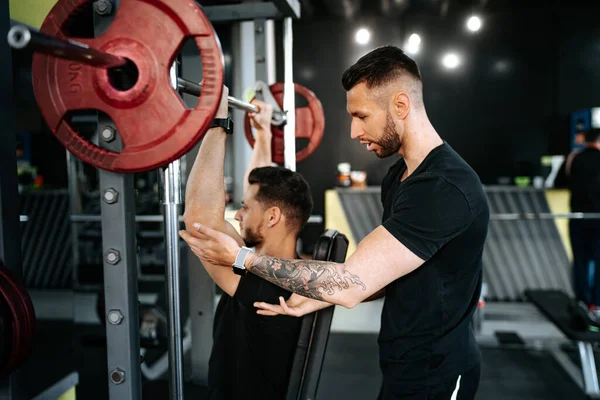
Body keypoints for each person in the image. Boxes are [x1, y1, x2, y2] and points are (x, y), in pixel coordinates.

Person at [182, 45, 490, 400]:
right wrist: (324, 293)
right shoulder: (400, 178)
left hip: (438, 371)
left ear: (401, 105)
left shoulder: (442, 188)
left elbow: (353, 282)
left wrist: (243, 259)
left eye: (361, 116)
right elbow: (387, 276)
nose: (354, 132)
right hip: (404, 363)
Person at [180, 86, 314, 399]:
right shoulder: (287, 272)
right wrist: (263, 133)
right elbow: (261, 192)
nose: (237, 216)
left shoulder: (262, 288)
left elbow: (198, 219)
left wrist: (217, 122)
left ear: (271, 218)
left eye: (245, 208)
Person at [565, 128, 600, 309]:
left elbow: (559, 181)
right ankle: (596, 303)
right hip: (598, 218)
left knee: (580, 260)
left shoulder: (574, 158)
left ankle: (582, 301)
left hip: (578, 216)